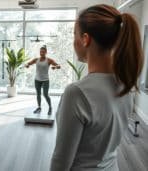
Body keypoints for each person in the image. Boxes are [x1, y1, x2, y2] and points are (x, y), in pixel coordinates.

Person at [50, 4, 143, 171]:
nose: (74, 41)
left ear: (85, 39)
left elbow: (60, 163)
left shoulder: (77, 93)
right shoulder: (126, 86)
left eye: (74, 35)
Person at [25, 45, 60, 115]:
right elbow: (28, 63)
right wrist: (27, 65)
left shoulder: (49, 60)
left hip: (45, 80)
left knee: (45, 94)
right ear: (39, 52)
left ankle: (50, 107)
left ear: (46, 52)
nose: (42, 53)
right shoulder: (36, 60)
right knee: (38, 94)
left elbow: (59, 66)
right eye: (41, 52)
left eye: (43, 52)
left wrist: (55, 67)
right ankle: (39, 107)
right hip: (37, 79)